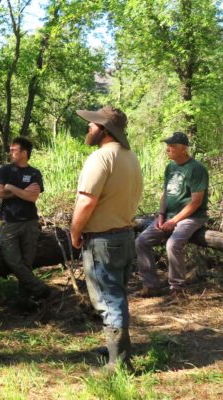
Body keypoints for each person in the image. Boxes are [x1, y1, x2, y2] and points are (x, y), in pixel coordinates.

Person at [70, 106, 142, 371]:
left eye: (93, 124)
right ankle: (118, 352)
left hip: (103, 241)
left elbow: (86, 202)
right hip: (124, 236)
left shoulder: (101, 158)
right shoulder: (129, 156)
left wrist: (74, 232)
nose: (89, 127)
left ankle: (119, 365)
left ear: (105, 129)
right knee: (117, 297)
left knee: (109, 302)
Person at [136, 132, 209, 299]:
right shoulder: (171, 167)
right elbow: (165, 194)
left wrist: (174, 221)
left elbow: (196, 202)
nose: (167, 149)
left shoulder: (196, 169)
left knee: (172, 244)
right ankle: (151, 285)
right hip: (168, 216)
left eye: (172, 146)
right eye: (167, 146)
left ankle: (177, 289)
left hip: (192, 217)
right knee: (141, 242)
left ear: (183, 148)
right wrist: (161, 215)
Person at [0, 137, 50, 303]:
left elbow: (33, 198)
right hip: (9, 223)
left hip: (30, 222)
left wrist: (11, 188)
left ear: (24, 153)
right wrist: (22, 191)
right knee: (12, 260)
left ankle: (24, 301)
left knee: (26, 262)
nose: (10, 152)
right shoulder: (5, 171)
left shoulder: (34, 173)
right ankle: (41, 289)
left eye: (14, 150)